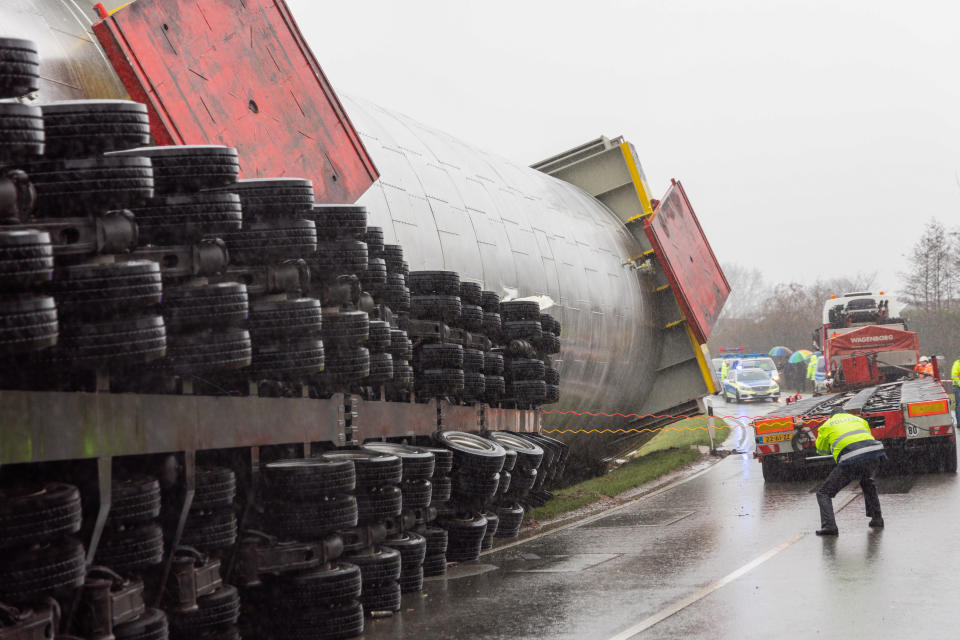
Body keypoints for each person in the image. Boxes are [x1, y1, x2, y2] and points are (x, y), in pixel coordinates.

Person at [813, 412, 885, 536]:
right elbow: (865, 437)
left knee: (823, 493)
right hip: (874, 453)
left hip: (851, 458)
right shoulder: (858, 419)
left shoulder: (826, 425)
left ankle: (829, 527)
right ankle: (877, 519)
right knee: (866, 480)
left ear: (832, 416)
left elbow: (821, 450)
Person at [952, 357, 960, 424]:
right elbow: (954, 375)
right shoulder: (957, 364)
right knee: (959, 404)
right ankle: (959, 422)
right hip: (957, 387)